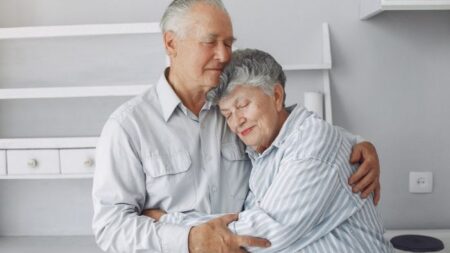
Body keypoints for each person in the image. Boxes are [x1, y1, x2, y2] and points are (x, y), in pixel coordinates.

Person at [92, 0, 382, 252]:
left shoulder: (228, 107)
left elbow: (293, 137)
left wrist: (355, 144)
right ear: (171, 43)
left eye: (228, 43)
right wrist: (189, 241)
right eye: (210, 42)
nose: (223, 55)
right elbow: (110, 227)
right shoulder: (128, 127)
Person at [146, 48, 394, 252]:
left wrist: (168, 222)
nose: (236, 121)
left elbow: (265, 234)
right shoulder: (262, 154)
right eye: (227, 114)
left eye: (242, 105)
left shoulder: (313, 141)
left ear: (276, 96)